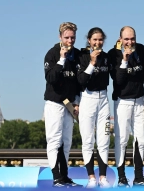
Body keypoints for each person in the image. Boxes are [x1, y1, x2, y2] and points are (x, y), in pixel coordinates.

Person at [108, 26, 144, 187]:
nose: (130, 42)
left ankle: (139, 177)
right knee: (121, 140)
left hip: (140, 100)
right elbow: (118, 80)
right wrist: (125, 60)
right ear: (120, 39)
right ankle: (121, 177)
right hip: (122, 101)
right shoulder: (113, 54)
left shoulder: (141, 49)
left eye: (132, 38)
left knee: (140, 139)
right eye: (126, 39)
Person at [43, 22, 81, 187]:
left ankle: (64, 176)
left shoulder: (78, 55)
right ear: (60, 37)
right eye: (67, 37)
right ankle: (56, 176)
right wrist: (62, 60)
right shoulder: (51, 54)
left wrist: (77, 103)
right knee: (54, 140)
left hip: (70, 104)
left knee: (66, 141)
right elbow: (51, 78)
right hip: (55, 103)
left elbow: (79, 82)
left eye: (72, 37)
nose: (70, 40)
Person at [77, 27, 112, 188]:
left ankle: (103, 177)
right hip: (88, 99)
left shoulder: (107, 57)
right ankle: (91, 177)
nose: (98, 43)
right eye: (94, 40)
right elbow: (81, 80)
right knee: (88, 140)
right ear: (89, 41)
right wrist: (91, 63)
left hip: (103, 99)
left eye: (100, 39)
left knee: (104, 140)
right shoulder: (83, 57)